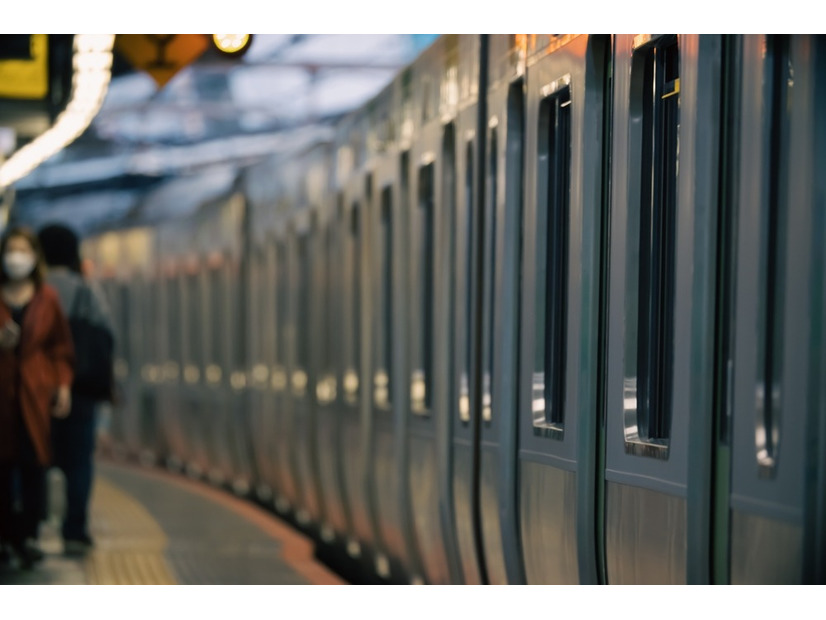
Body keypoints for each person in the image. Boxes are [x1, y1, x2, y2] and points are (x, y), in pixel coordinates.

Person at [38, 223, 114, 556]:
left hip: (37, 392)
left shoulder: (33, 291)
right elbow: (106, 338)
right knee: (80, 462)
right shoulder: (87, 291)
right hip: (82, 392)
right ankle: (75, 528)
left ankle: (31, 525)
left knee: (33, 459)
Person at [0, 226, 74, 569]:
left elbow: (61, 347)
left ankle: (27, 536)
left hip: (33, 395)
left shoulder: (47, 298)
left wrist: (62, 385)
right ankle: (5, 538)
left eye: (22, 250)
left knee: (33, 466)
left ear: (34, 257)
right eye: (10, 250)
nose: (16, 258)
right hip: (2, 395)